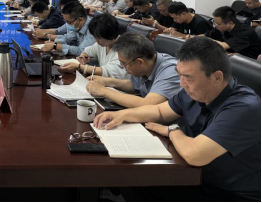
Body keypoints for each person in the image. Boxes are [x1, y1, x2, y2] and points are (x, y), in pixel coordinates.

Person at [94, 38, 261, 203]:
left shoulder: (244, 107)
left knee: (137, 180)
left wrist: (173, 131)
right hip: (196, 176)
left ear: (217, 77)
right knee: (132, 177)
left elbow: (195, 154)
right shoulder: (196, 92)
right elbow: (159, 111)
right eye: (179, 75)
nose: (182, 84)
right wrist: (122, 115)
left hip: (229, 193)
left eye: (188, 77)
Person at [86, 32, 181, 108]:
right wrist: (107, 82)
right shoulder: (146, 64)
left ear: (140, 62)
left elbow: (148, 104)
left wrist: (103, 91)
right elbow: (135, 86)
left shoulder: (172, 71)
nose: (123, 67)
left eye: (124, 64)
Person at [59, 14, 127, 79]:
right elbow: (89, 51)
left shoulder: (124, 49)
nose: (96, 41)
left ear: (111, 35)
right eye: (95, 37)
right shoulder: (103, 43)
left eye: (98, 38)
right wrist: (83, 55)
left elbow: (108, 71)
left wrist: (79, 67)